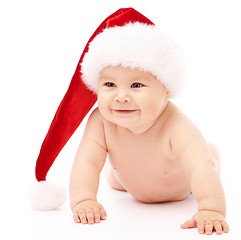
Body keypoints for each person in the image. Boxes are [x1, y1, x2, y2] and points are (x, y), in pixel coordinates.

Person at [32, 8, 229, 235]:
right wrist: (84, 200)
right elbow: (87, 162)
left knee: (207, 159)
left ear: (166, 90)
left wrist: (211, 209)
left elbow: (199, 167)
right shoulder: (101, 121)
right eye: (109, 85)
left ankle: (213, 151)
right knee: (112, 178)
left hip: (180, 189)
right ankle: (120, 175)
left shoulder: (177, 126)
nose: (121, 96)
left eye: (136, 85)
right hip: (124, 181)